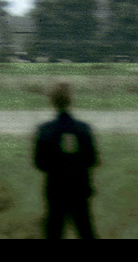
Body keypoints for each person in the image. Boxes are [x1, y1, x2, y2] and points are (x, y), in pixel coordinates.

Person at [33, 82, 99, 239]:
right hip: (80, 186)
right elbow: (92, 159)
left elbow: (39, 162)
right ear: (71, 100)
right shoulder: (83, 129)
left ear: (52, 101)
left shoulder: (45, 129)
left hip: (55, 187)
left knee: (54, 229)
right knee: (85, 228)